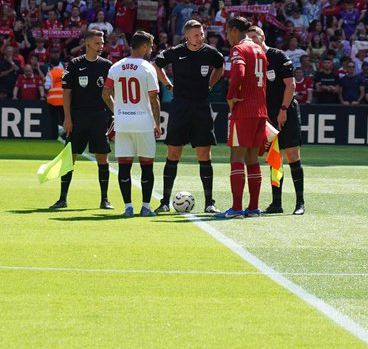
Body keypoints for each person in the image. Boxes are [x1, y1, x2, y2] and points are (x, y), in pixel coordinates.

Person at [153, 19, 225, 214]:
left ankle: (209, 203)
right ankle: (164, 202)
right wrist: (168, 85)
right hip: (180, 107)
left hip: (201, 107)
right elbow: (157, 65)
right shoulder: (175, 52)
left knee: (204, 154)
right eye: (196, 35)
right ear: (186, 36)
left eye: (201, 34)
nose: (200, 38)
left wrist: (210, 85)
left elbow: (220, 67)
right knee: (173, 153)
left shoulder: (211, 53)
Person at [49, 29, 114, 211]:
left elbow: (110, 93)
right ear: (87, 43)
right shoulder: (74, 64)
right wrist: (67, 118)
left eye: (102, 43)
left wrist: (117, 113)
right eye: (97, 43)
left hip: (99, 116)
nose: (100, 46)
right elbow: (67, 93)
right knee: (70, 158)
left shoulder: (107, 65)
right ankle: (62, 199)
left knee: (103, 157)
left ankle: (105, 199)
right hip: (78, 117)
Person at [102, 31, 162, 218]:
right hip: (143, 123)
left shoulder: (116, 67)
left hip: (123, 123)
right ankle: (145, 207)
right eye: (150, 46)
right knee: (147, 165)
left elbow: (105, 94)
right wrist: (157, 123)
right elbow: (154, 99)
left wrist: (118, 111)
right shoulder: (147, 68)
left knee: (124, 166)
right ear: (143, 46)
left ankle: (128, 207)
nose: (151, 49)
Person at [248, 26, 305, 216]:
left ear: (262, 37)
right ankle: (276, 203)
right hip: (268, 114)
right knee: (274, 158)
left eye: (254, 36)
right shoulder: (252, 62)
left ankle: (300, 203)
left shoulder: (278, 56)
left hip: (286, 110)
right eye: (248, 38)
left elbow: (291, 85)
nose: (252, 40)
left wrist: (283, 110)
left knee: (292, 155)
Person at [221, 16, 269, 219]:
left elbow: (239, 73)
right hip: (260, 110)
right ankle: (253, 207)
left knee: (237, 156)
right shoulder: (260, 49)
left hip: (244, 110)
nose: (226, 37)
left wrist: (231, 96)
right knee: (252, 158)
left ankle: (236, 208)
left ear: (234, 30)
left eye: (227, 32)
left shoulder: (239, 49)